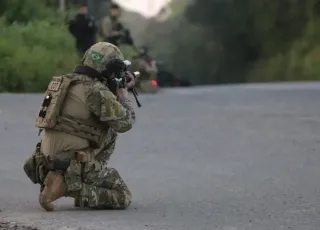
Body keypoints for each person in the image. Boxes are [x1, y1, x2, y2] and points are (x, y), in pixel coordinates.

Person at [23, 42, 136, 211]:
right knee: (122, 195)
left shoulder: (65, 82)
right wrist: (123, 96)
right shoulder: (96, 91)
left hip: (44, 163)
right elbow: (125, 123)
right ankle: (70, 187)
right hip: (71, 164)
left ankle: (60, 181)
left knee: (105, 128)